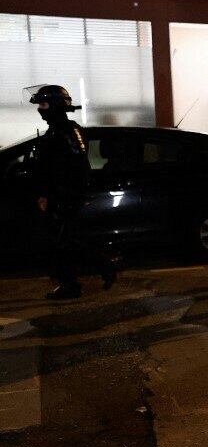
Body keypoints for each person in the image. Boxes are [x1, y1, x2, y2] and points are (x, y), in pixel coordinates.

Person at [28, 85, 118, 300]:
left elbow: (76, 165)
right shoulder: (55, 129)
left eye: (44, 104)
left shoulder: (68, 130)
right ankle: (71, 284)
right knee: (63, 243)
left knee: (64, 242)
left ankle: (102, 266)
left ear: (56, 105)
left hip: (66, 196)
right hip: (59, 195)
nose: (40, 109)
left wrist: (63, 193)